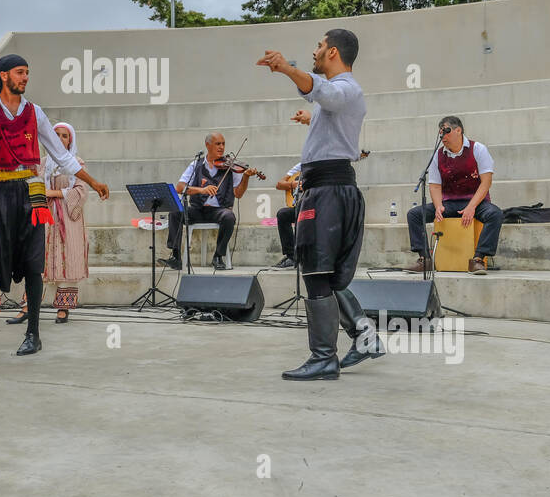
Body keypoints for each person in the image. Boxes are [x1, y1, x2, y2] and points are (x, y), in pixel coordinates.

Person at [0, 54, 110, 356]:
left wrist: (93, 181)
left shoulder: (35, 113)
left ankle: (34, 333)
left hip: (31, 189)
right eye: (20, 72)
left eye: (27, 73)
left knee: (33, 261)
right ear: (4, 76)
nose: (25, 78)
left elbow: (61, 155)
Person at [258, 30, 384, 380]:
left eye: (318, 45)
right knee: (325, 274)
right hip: (325, 187)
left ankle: (324, 358)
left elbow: (324, 92)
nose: (313, 51)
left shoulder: (346, 88)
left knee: (315, 272)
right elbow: (330, 114)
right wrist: (309, 118)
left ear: (331, 51)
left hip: (328, 189)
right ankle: (363, 336)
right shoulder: (339, 97)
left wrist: (286, 67)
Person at [407, 116, 504, 274]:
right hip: (450, 202)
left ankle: (478, 259)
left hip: (475, 202)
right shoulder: (437, 156)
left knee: (495, 214)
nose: (443, 136)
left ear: (458, 130)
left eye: (446, 131)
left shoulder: (478, 149)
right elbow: (435, 185)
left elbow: (486, 182)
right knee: (415, 215)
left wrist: (471, 207)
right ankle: (425, 258)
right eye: (441, 133)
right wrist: (438, 206)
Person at [21, 122, 89, 323]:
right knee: (39, 258)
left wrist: (53, 193)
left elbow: (81, 191)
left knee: (67, 258)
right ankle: (28, 306)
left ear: (70, 140)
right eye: (56, 134)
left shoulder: (77, 163)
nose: (60, 139)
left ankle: (63, 307)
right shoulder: (41, 163)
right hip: (44, 214)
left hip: (68, 217)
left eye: (64, 136)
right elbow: (31, 185)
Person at [159, 133, 258, 271]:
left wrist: (246, 177)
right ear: (208, 145)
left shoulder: (231, 167)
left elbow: (238, 194)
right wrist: (201, 190)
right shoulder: (196, 165)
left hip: (219, 210)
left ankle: (218, 256)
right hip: (197, 209)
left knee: (229, 217)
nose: (222, 147)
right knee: (175, 212)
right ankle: (176, 257)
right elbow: (180, 188)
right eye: (218, 144)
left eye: (223, 143)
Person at [273, 163, 301, 270]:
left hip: (316, 207)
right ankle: (291, 256)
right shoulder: (301, 166)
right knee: (283, 214)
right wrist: (293, 185)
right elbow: (279, 184)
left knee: (303, 216)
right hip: (300, 206)